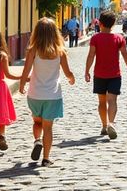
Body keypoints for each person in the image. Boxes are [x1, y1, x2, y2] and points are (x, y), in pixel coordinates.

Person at [19, 18, 76, 167]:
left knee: (37, 122)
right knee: (48, 128)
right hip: (53, 95)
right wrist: (71, 78)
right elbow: (67, 72)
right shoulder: (60, 51)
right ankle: (46, 158)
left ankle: (37, 141)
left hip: (35, 94)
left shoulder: (33, 50)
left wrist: (21, 84)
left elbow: (26, 70)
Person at [84, 10, 127, 140]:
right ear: (113, 24)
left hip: (99, 74)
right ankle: (111, 123)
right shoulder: (119, 38)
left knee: (102, 102)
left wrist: (87, 71)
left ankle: (104, 125)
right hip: (114, 75)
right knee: (112, 100)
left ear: (100, 23)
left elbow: (91, 55)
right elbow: (126, 56)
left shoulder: (95, 38)